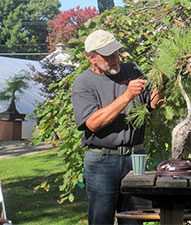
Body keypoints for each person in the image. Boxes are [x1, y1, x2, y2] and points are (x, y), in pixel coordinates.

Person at [72, 29, 164, 225]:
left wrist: (162, 83)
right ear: (92, 58)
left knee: (135, 220)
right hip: (102, 161)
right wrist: (127, 95)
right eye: (108, 56)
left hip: (135, 158)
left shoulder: (132, 70)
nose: (115, 59)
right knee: (101, 219)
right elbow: (92, 123)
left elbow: (153, 104)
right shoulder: (84, 83)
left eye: (116, 52)